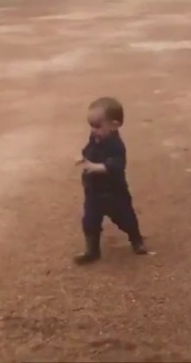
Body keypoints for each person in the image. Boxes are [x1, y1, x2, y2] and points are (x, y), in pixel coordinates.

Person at [74, 97, 149, 265]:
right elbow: (89, 148)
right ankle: (92, 250)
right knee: (90, 221)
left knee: (126, 218)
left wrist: (96, 167)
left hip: (114, 192)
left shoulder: (116, 145)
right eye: (91, 125)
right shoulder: (95, 137)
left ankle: (136, 240)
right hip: (94, 191)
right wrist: (83, 156)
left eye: (98, 126)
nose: (94, 130)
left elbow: (116, 164)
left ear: (114, 125)